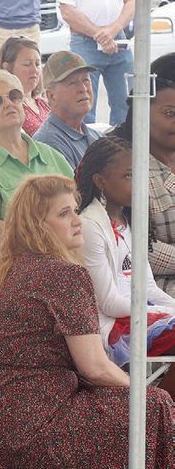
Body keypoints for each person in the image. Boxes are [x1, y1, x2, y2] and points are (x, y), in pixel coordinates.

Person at [0, 174, 175, 469]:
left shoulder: (8, 268)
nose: (78, 220)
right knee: (153, 405)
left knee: (139, 403)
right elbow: (95, 368)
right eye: (64, 214)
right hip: (33, 433)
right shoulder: (63, 275)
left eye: (75, 210)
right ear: (38, 224)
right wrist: (145, 393)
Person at [76, 138, 175, 382]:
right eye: (129, 176)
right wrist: (163, 313)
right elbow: (108, 303)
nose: (139, 183)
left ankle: (160, 410)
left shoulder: (127, 223)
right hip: (113, 327)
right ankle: (159, 412)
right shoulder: (90, 226)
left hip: (141, 316)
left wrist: (170, 308)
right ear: (100, 181)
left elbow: (148, 287)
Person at [0, 70, 74, 253]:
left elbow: (77, 207)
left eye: (14, 96)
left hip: (63, 252)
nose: (8, 103)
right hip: (12, 260)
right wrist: (47, 243)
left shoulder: (50, 155)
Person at [111, 55, 175, 293]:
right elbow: (132, 244)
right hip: (153, 288)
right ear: (142, 109)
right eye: (170, 113)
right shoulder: (121, 161)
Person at [33, 51, 100, 169]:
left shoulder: (95, 134)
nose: (83, 89)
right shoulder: (48, 142)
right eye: (72, 83)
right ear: (51, 96)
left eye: (86, 80)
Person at [0, 35, 51, 136]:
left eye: (37, 64)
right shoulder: (7, 107)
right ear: (7, 68)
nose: (35, 70)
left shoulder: (44, 103)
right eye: (27, 64)